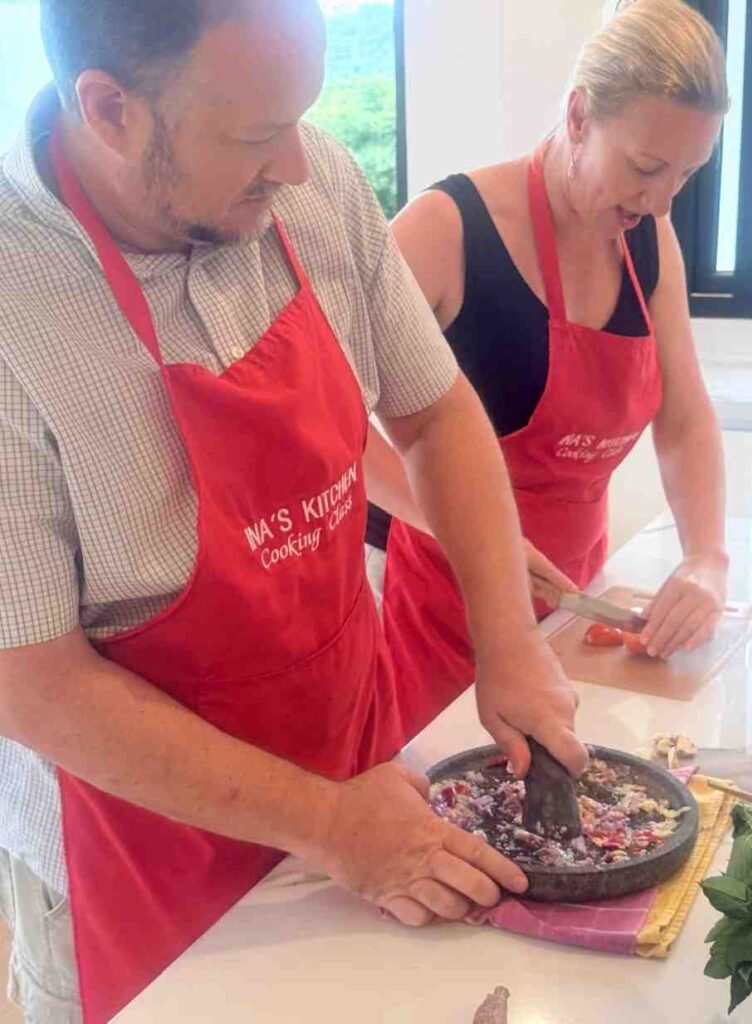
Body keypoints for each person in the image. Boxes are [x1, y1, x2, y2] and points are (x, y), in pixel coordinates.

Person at [0, 2, 586, 1022]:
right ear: (110, 109)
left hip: (357, 789)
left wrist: (509, 644)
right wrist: (324, 823)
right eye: (257, 138)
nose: (301, 167)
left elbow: (437, 412)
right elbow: (31, 678)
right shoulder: (17, 302)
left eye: (299, 122)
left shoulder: (312, 185)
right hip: (134, 848)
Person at [369, 0, 729, 741]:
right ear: (577, 115)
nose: (662, 200)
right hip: (446, 618)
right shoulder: (445, 231)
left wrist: (707, 556)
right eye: (646, 166)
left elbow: (686, 420)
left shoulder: (650, 237)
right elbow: (327, 421)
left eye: (687, 176)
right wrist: (480, 538)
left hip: (574, 601)